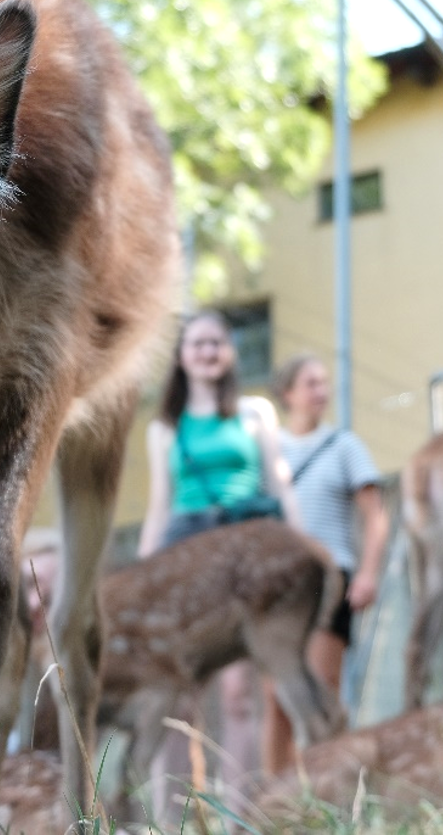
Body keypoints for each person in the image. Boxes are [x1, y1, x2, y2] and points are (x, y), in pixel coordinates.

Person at [137, 310, 299, 793]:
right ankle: (178, 816)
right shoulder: (165, 428)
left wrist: (300, 544)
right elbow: (159, 507)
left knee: (239, 694)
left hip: (246, 558)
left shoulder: (256, 413)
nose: (207, 352)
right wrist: (144, 577)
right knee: (180, 695)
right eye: (197, 344)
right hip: (187, 557)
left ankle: (241, 818)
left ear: (229, 352)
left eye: (216, 343)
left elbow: (279, 483)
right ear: (182, 357)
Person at [259, 353, 388, 771]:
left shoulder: (344, 446)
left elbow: (375, 516)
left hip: (330, 580)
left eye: (324, 382)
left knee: (320, 692)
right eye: (311, 383)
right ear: (287, 393)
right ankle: (275, 805)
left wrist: (368, 573)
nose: (321, 392)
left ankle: (328, 800)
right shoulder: (268, 448)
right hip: (278, 584)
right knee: (275, 698)